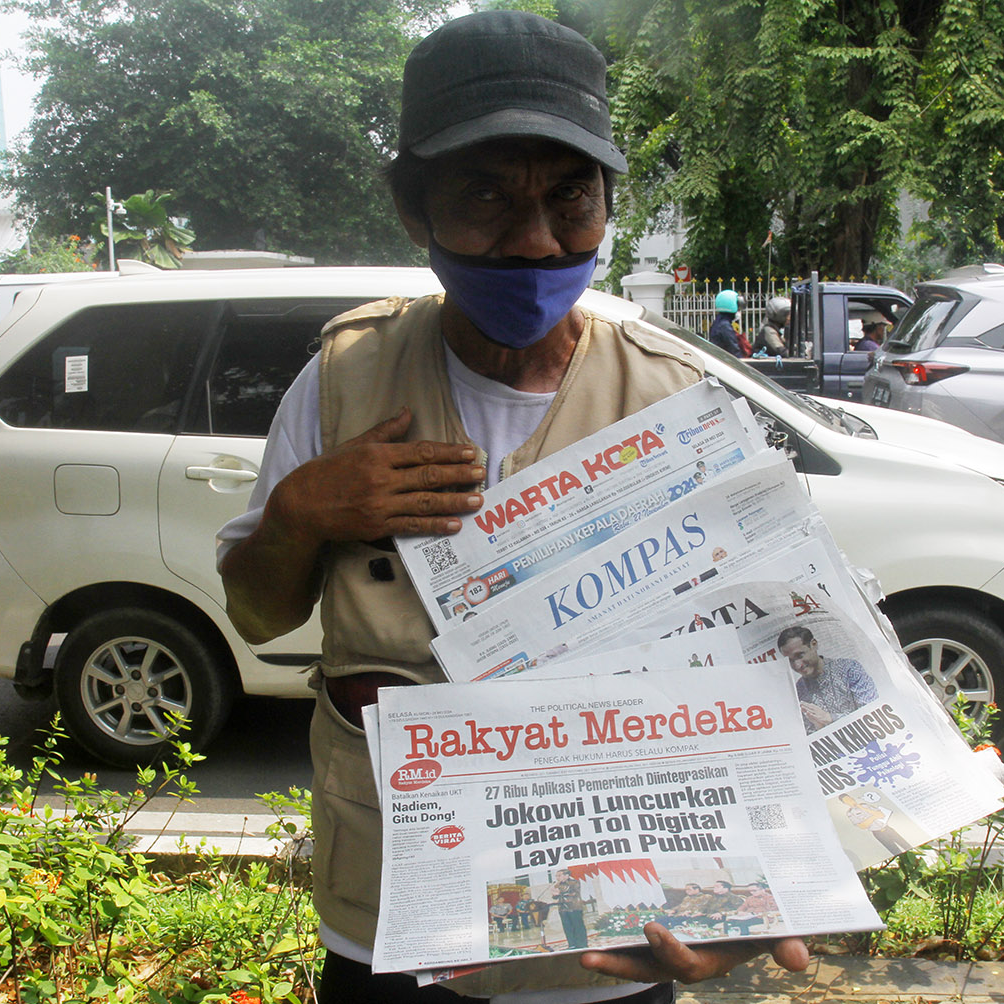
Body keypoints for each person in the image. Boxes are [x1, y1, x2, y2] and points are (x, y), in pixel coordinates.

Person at [217, 11, 808, 1001]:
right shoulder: (343, 380)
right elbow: (257, 612)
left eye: (568, 198)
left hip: (615, 934)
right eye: (486, 194)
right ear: (414, 207)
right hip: (393, 912)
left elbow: (767, 666)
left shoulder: (673, 401)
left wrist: (754, 900)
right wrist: (300, 512)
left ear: (607, 204)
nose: (534, 242)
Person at [777, 625, 878, 733]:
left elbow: (873, 712)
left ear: (814, 645)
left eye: (800, 655)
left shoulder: (849, 668)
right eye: (791, 660)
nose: (797, 665)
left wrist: (830, 718)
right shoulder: (798, 691)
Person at [838, 793, 913, 856]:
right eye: (847, 800)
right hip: (878, 833)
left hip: (888, 829)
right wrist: (873, 816)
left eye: (850, 798)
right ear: (845, 803)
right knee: (896, 852)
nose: (850, 801)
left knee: (907, 846)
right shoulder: (850, 813)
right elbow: (863, 826)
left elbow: (881, 815)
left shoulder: (864, 805)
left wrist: (865, 810)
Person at [553, 868, 589, 950]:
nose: (557, 877)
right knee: (567, 927)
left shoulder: (574, 882)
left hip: (574, 907)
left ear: (566, 875)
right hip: (562, 908)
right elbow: (555, 896)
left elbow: (573, 893)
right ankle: (572, 944)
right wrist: (554, 894)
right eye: (556, 876)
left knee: (578, 926)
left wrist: (559, 892)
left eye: (559, 875)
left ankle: (582, 944)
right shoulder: (557, 884)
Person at [706, 290, 744, 356]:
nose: (739, 311)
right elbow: (734, 349)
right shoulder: (725, 326)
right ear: (731, 306)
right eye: (738, 307)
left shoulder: (718, 322)